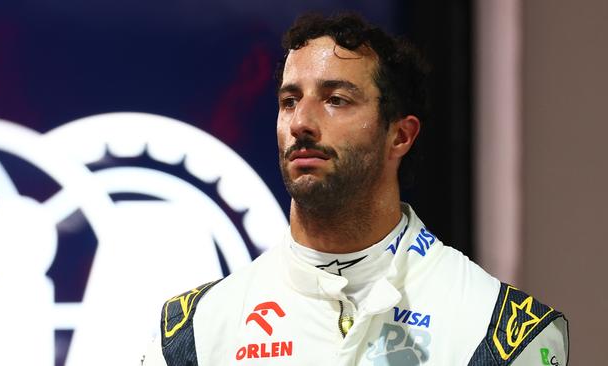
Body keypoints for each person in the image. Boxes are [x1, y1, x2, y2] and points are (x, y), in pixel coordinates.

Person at [142, 13, 568, 366]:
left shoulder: (499, 332)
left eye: (336, 99)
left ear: (399, 136)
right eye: (290, 100)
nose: (301, 122)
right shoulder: (195, 331)